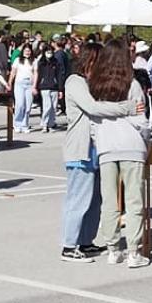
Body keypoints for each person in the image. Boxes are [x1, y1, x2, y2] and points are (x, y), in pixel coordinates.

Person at [60, 43, 144, 262]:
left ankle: (86, 241)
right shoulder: (75, 82)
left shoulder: (91, 83)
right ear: (89, 60)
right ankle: (69, 245)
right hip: (80, 149)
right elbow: (94, 108)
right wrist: (128, 107)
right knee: (79, 199)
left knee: (97, 200)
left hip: (99, 147)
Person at [88, 40, 152, 269]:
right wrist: (147, 141)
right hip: (131, 145)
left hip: (106, 146)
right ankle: (134, 251)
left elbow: (93, 122)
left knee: (109, 200)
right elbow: (141, 120)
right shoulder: (132, 84)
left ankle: (113, 248)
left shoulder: (95, 87)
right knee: (134, 200)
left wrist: (99, 141)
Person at [35, 45, 63, 132]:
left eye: (50, 52)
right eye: (47, 52)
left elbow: (59, 76)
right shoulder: (41, 63)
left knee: (53, 107)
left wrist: (60, 89)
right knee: (47, 106)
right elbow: (38, 75)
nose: (49, 54)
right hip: (44, 87)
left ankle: (51, 124)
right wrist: (37, 86)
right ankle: (44, 124)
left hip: (54, 87)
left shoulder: (56, 62)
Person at [9, 44, 36, 133]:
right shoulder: (17, 60)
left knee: (28, 106)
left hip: (29, 84)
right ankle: (17, 123)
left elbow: (36, 73)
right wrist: (9, 82)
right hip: (19, 84)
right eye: (26, 51)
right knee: (20, 105)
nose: (27, 53)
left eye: (29, 51)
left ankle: (25, 124)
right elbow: (13, 72)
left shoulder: (34, 61)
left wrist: (34, 86)